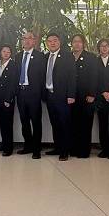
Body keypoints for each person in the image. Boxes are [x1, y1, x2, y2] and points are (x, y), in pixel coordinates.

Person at [43, 32, 76, 161]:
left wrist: (71, 95)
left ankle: (65, 151)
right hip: (49, 95)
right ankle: (57, 147)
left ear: (59, 42)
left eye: (55, 40)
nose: (52, 43)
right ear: (47, 43)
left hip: (63, 96)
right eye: (50, 41)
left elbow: (72, 76)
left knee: (64, 123)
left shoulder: (67, 56)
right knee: (55, 123)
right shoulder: (45, 57)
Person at [15, 30, 46, 159]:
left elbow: (43, 76)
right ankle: (28, 146)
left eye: (30, 38)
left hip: (34, 93)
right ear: (22, 41)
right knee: (24, 121)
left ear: (34, 41)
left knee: (36, 121)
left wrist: (42, 94)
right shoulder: (17, 56)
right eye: (24, 38)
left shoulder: (40, 56)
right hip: (20, 92)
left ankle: (36, 149)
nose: (27, 40)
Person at [70, 34, 98, 159]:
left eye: (79, 42)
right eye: (74, 41)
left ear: (83, 44)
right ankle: (74, 149)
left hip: (86, 96)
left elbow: (94, 77)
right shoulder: (68, 57)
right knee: (73, 123)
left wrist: (92, 94)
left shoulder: (90, 57)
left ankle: (84, 151)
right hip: (71, 96)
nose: (77, 44)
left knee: (85, 124)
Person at [0, 45, 18, 156]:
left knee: (8, 123)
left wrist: (8, 99)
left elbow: (13, 83)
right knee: (2, 122)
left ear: (11, 54)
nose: (6, 53)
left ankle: (8, 148)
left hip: (7, 99)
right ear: (0, 52)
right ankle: (4, 143)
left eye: (8, 52)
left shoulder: (13, 65)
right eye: (4, 51)